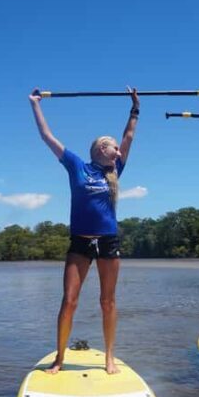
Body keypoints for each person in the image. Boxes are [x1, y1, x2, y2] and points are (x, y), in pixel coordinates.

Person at [28, 86, 139, 374]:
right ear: (102, 149)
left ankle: (110, 358)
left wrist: (134, 109)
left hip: (108, 242)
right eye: (113, 147)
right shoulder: (77, 166)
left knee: (108, 301)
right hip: (79, 242)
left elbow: (128, 137)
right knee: (69, 301)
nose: (118, 151)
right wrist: (35, 104)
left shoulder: (114, 172)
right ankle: (60, 358)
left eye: (118, 149)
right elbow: (47, 137)